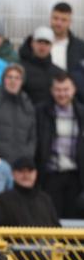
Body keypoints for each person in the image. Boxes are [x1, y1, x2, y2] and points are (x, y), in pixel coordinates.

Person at [35, 73, 84, 218]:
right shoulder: (41, 112)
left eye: (66, 89)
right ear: (52, 91)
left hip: (76, 176)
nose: (62, 94)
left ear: (73, 89)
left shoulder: (81, 113)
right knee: (52, 218)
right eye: (58, 90)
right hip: (51, 175)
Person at [0, 64, 36, 165]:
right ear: (3, 80)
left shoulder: (27, 105)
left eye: (17, 78)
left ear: (22, 82)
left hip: (21, 164)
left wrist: (28, 154)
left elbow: (32, 137)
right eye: (9, 77)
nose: (13, 81)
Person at [0, 156, 60, 227]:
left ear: (36, 173)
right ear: (13, 174)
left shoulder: (45, 199)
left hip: (45, 240)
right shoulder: (0, 201)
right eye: (21, 171)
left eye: (30, 171)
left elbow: (57, 228)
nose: (26, 175)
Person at [19, 27, 64, 107]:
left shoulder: (59, 73)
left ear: (52, 45)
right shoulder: (20, 69)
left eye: (47, 43)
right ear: (32, 43)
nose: (42, 46)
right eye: (39, 41)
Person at [50, 2, 84, 72]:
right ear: (50, 18)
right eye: (55, 18)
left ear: (70, 22)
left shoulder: (80, 47)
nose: (59, 23)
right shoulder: (35, 43)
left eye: (64, 20)